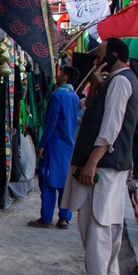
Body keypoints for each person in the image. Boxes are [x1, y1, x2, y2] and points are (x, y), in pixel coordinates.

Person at [61, 38, 138, 275]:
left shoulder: (119, 82)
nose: (96, 58)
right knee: (107, 222)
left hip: (103, 165)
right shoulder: (116, 81)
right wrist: (94, 86)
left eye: (101, 55)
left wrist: (92, 161)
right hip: (111, 164)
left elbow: (111, 126)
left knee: (95, 223)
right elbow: (90, 110)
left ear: (113, 56)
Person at [29, 66, 80, 229]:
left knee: (48, 181)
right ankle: (64, 217)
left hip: (54, 144)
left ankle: (46, 217)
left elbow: (51, 123)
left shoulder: (57, 95)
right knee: (64, 182)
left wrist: (42, 144)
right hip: (68, 145)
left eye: (60, 73)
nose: (57, 76)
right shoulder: (75, 97)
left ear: (65, 76)